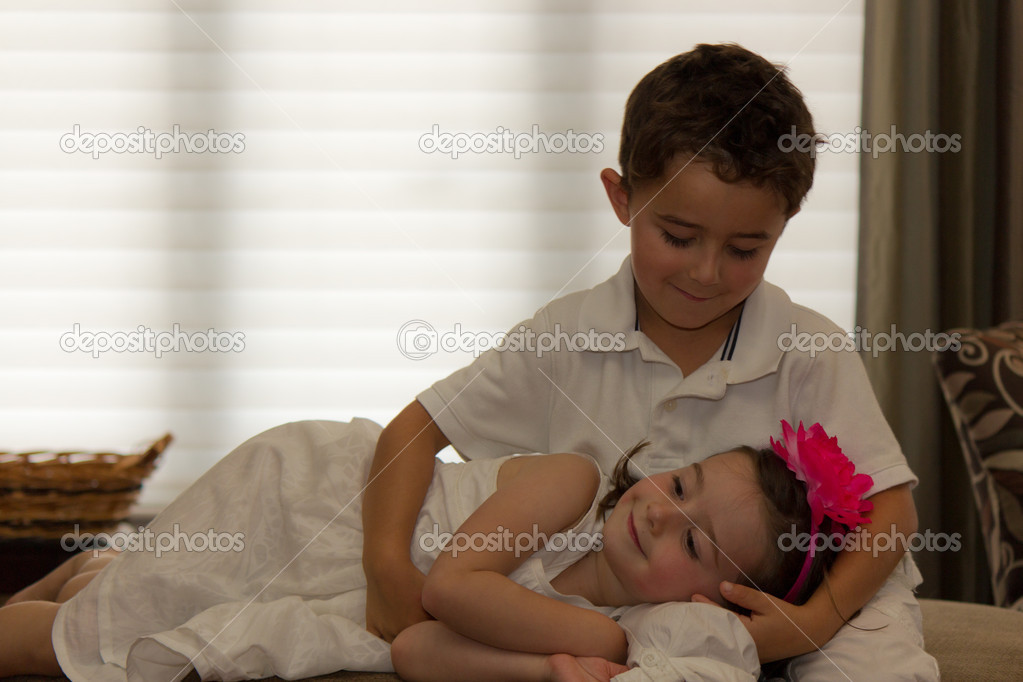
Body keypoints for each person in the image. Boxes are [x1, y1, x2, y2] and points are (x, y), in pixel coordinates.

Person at [363, 43, 939, 680]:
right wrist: (386, 563)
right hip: (618, 616)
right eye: (678, 237)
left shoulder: (809, 348)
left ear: (783, 226)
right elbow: (412, 432)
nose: (706, 272)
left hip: (810, 601)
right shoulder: (563, 337)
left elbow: (892, 512)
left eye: (746, 248)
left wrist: (818, 619)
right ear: (622, 199)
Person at [0, 418, 858, 681]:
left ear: (703, 601)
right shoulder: (567, 478)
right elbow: (448, 586)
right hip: (311, 507)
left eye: (696, 542)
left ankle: (94, 569)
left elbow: (414, 647)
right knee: (76, 650)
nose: (658, 513)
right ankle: (90, 588)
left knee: (125, 619)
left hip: (339, 598)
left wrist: (551, 669)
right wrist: (600, 647)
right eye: (679, 485)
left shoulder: (586, 619)